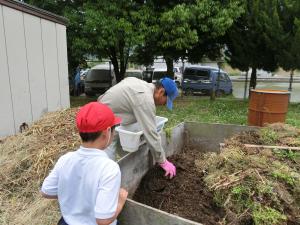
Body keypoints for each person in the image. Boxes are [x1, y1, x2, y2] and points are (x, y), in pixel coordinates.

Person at [41, 102, 128, 225]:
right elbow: (103, 220)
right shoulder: (109, 168)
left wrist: (72, 193)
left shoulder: (66, 159)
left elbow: (46, 191)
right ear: (107, 132)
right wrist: (120, 201)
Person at [98, 77, 179, 179]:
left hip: (110, 115)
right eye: (165, 101)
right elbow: (151, 134)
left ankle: (123, 177)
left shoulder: (142, 86)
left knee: (126, 154)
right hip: (102, 121)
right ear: (161, 91)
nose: (163, 105)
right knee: (107, 161)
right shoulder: (145, 99)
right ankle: (105, 184)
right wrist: (163, 161)